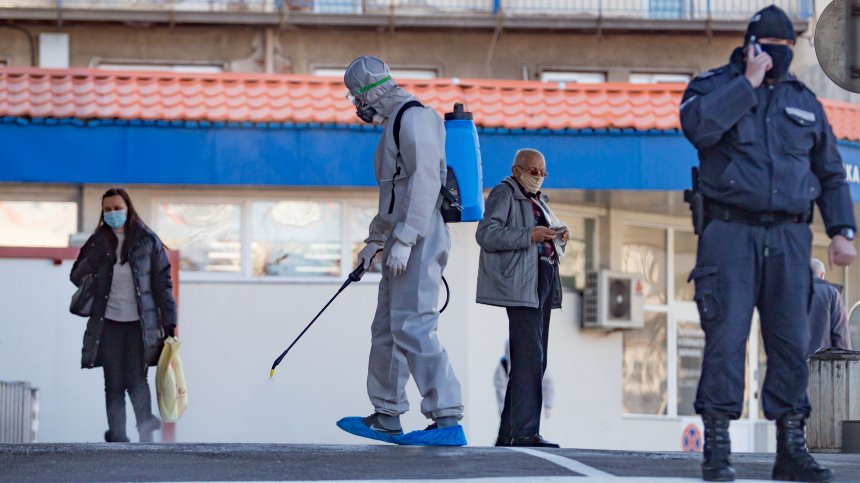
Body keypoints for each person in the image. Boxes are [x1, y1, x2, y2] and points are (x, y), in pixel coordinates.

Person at [680, 5, 856, 482]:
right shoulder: (714, 86)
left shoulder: (804, 102)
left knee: (789, 343)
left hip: (789, 238)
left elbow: (830, 173)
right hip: (729, 233)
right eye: (771, 49)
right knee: (725, 341)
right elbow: (697, 129)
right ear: (751, 45)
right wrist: (747, 85)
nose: (780, 57)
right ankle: (717, 449)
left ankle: (791, 449)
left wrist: (842, 231)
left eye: (786, 50)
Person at [336, 56, 466, 447]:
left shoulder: (416, 118)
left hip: (421, 236)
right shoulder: (393, 125)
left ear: (368, 92)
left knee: (414, 325)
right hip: (401, 237)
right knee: (388, 329)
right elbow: (394, 196)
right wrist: (375, 242)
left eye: (357, 98)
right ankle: (387, 414)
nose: (359, 108)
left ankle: (446, 419)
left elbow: (427, 179)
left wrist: (407, 238)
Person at [475, 148, 568, 448]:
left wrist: (556, 235)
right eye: (533, 171)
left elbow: (538, 235)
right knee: (530, 359)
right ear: (517, 171)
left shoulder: (538, 200)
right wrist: (530, 235)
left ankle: (508, 433)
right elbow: (487, 234)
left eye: (542, 172)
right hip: (521, 286)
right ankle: (526, 433)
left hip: (541, 281)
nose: (538, 177)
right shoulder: (505, 193)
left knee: (533, 361)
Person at [70, 187, 177, 443]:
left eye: (117, 208)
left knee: (137, 379)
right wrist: (92, 259)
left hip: (141, 326)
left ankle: (145, 433)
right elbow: (76, 276)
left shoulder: (147, 241)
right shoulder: (98, 242)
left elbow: (163, 282)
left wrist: (170, 320)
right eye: (107, 210)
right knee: (113, 383)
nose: (113, 214)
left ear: (128, 209)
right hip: (109, 324)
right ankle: (118, 436)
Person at [493, 340, 555, 419]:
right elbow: (500, 391)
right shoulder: (503, 367)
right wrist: (504, 412)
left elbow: (548, 382)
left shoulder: (534, 363)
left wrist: (548, 405)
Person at [808, 258, 852, 356]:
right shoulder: (832, 294)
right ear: (822, 274)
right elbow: (841, 337)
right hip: (822, 365)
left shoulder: (790, 294)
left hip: (793, 365)